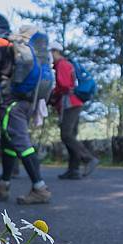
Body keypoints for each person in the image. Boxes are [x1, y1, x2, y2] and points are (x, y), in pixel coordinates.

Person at [0, 13, 51, 204]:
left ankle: (40, 188)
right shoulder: (13, 46)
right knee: (9, 142)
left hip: (11, 102)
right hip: (28, 100)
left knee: (20, 141)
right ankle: (3, 184)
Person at [49, 42, 98, 180]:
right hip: (75, 102)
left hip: (70, 103)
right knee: (71, 135)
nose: (50, 56)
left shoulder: (62, 64)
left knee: (66, 135)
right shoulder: (66, 64)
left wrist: (53, 93)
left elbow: (64, 85)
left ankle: (88, 159)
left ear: (55, 52)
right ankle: (74, 170)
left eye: (51, 53)